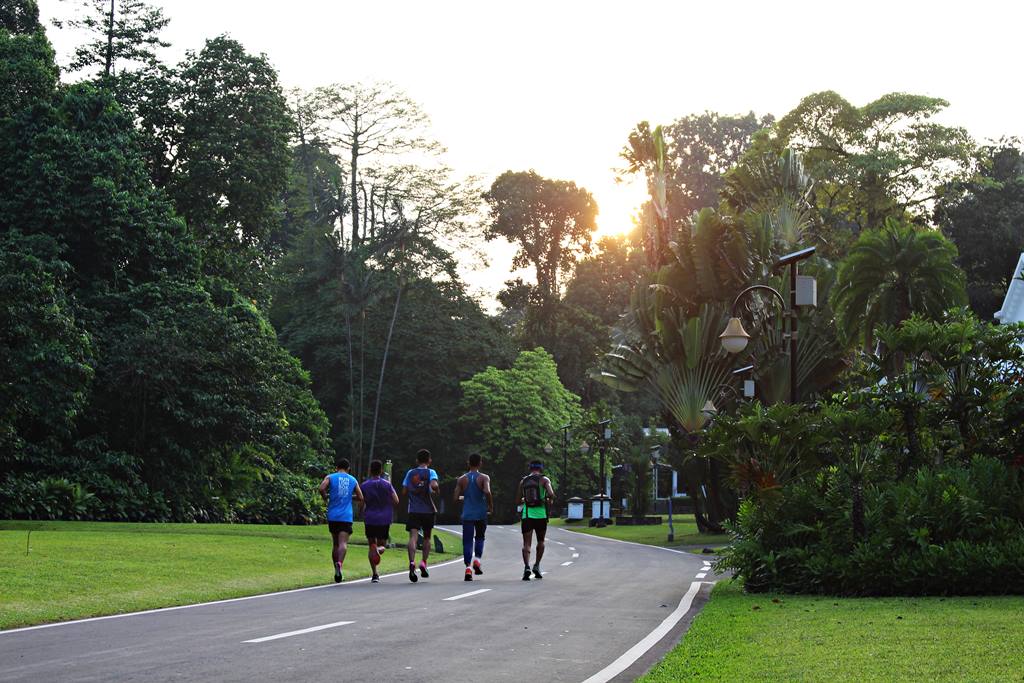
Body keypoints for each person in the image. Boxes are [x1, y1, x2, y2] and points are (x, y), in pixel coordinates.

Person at [318, 458, 363, 583]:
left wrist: (326, 497)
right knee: (343, 543)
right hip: (346, 516)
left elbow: (321, 488)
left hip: (333, 516)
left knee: (335, 544)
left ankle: (336, 569)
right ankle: (340, 564)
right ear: (348, 468)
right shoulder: (352, 479)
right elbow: (360, 497)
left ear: (336, 467)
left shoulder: (330, 477)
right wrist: (350, 497)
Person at [453, 453, 493, 581]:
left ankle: (468, 568)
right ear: (480, 463)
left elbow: (455, 498)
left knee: (467, 541)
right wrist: (490, 505)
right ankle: (477, 559)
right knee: (480, 537)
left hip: (467, 514)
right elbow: (487, 491)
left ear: (468, 463)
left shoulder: (461, 479)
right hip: (481, 513)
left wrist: (465, 498)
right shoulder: (484, 477)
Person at [402, 449, 439, 583]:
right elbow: (434, 485)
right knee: (427, 537)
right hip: (428, 510)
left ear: (417, 461)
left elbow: (404, 491)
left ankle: (412, 562)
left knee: (413, 536)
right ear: (429, 460)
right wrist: (435, 488)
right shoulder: (431, 472)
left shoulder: (410, 473)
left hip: (414, 510)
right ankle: (423, 562)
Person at [361, 459, 399, 583]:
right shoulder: (387, 484)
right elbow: (396, 500)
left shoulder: (365, 485)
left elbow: (361, 502)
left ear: (370, 470)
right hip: (384, 518)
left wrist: (362, 510)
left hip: (370, 518)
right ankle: (378, 550)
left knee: (371, 545)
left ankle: (375, 574)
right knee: (382, 544)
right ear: (381, 470)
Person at [517, 459, 555, 581]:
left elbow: (517, 501)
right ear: (541, 468)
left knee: (526, 544)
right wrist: (547, 500)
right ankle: (537, 565)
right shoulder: (544, 480)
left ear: (530, 468)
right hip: (541, 515)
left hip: (527, 515)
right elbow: (551, 494)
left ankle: (527, 567)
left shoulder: (523, 481)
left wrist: (524, 500)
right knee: (541, 541)